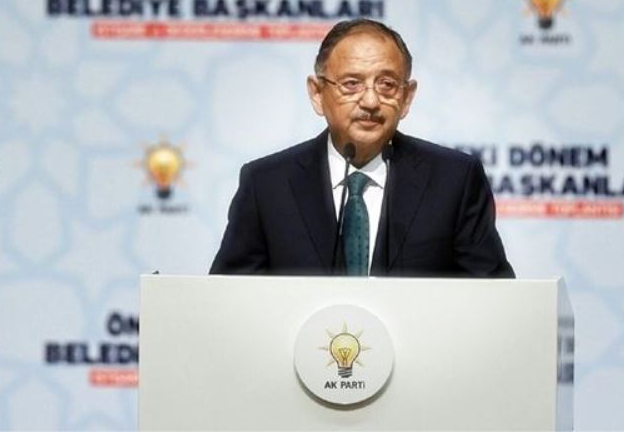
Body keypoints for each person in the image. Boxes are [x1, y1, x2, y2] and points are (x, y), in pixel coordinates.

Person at [210, 18, 515, 278]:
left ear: (406, 98)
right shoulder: (266, 184)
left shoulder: (454, 181)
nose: (370, 101)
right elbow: (227, 300)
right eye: (351, 84)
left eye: (387, 85)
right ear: (317, 94)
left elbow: (493, 299)